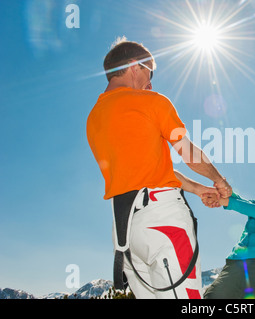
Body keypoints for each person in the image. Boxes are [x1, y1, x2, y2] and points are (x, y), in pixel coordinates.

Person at [86, 37, 231, 299]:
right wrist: (219, 180)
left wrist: (199, 189)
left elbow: (150, 170)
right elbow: (188, 152)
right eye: (149, 72)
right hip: (163, 222)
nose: (151, 82)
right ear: (134, 65)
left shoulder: (94, 118)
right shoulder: (152, 101)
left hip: (125, 235)